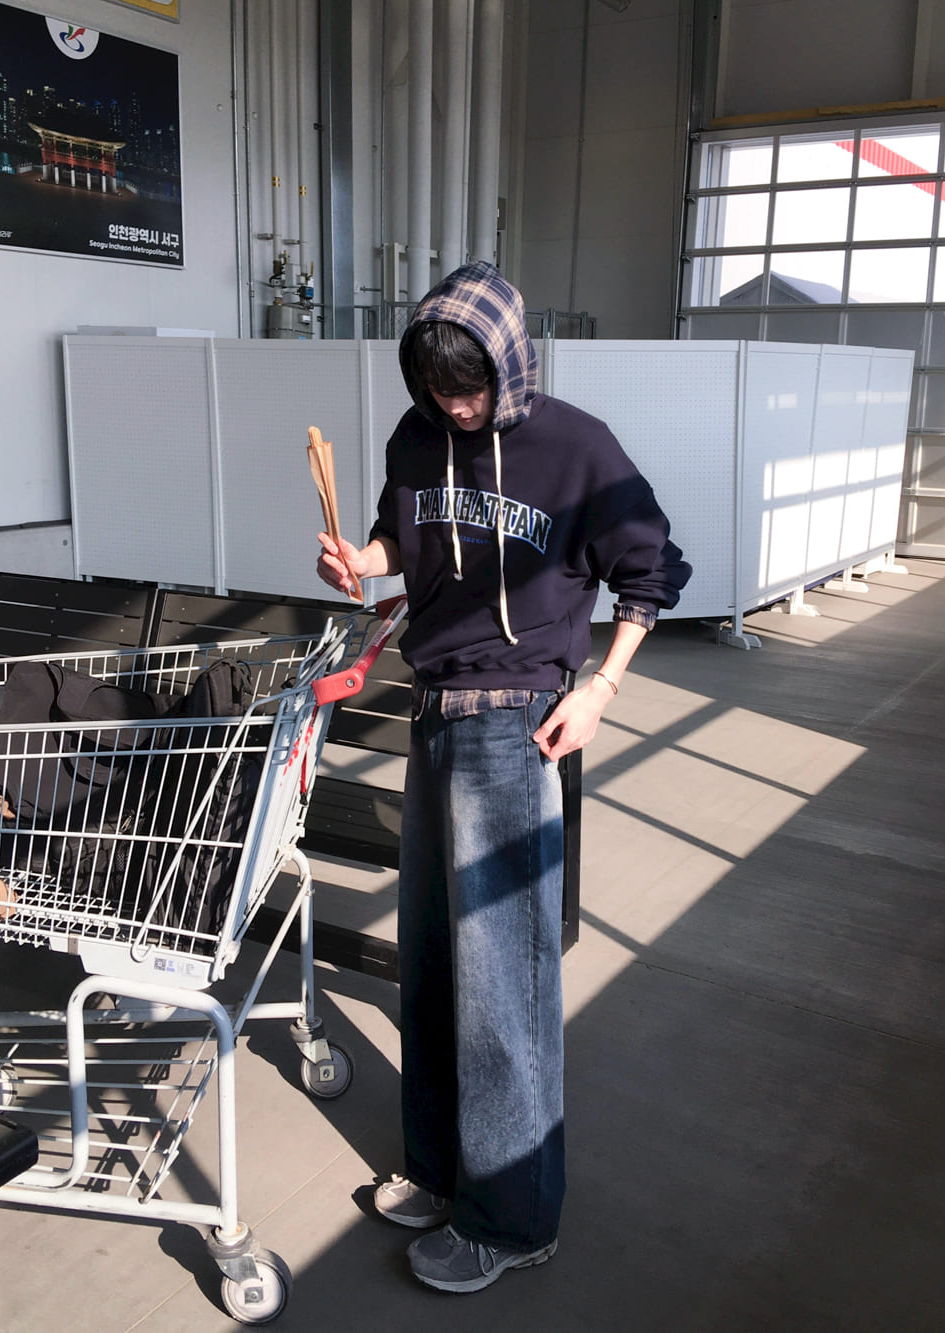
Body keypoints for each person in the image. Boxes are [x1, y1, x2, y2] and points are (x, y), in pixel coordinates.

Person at [316, 260, 691, 1293]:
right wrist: (361, 558)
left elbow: (650, 571)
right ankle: (444, 1172)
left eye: (470, 386)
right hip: (435, 713)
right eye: (437, 387)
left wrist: (601, 688)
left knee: (502, 982)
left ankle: (512, 1216)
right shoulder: (414, 436)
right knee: (435, 965)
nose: (455, 405)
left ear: (511, 362)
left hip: (520, 726)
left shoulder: (576, 447)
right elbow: (403, 539)